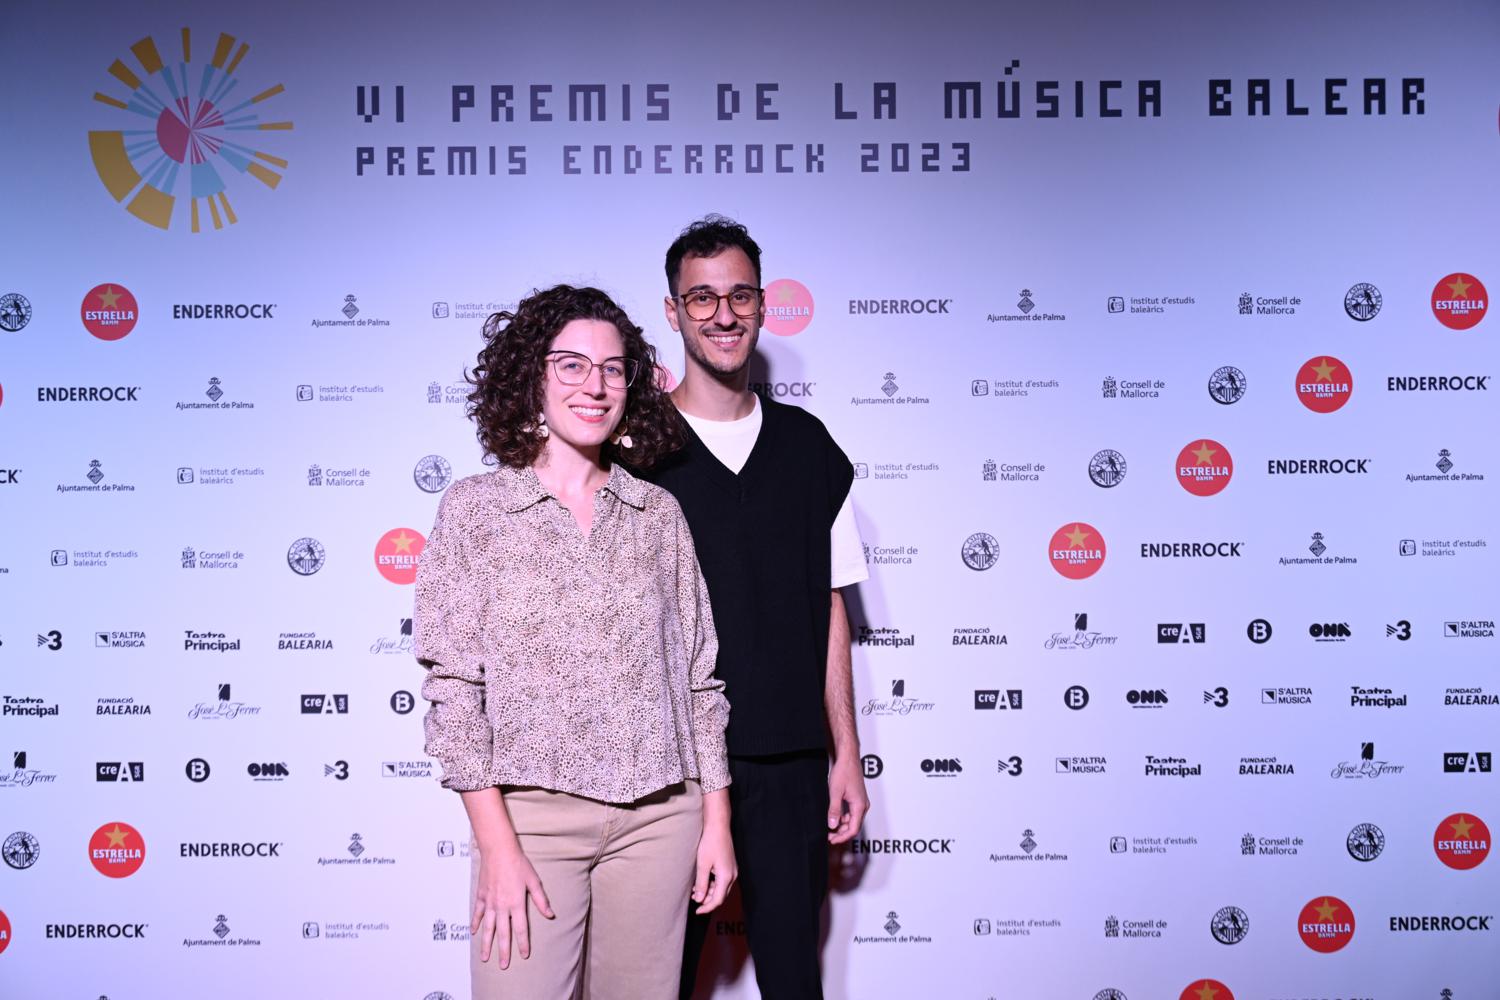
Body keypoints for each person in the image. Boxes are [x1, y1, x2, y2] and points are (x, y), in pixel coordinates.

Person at [415, 284, 736, 1000]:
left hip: (659, 819)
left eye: (614, 368)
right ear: (531, 376)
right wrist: (498, 846)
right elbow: (454, 691)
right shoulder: (476, 510)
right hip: (531, 821)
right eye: (572, 365)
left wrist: (716, 820)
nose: (595, 385)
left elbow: (698, 680)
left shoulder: (657, 514)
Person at [645, 217, 870, 1000]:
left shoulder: (811, 449)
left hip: (789, 765)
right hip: (669, 772)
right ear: (672, 312)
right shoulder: (636, 453)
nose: (723, 314)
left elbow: (831, 608)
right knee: (654, 984)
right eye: (701, 298)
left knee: (794, 984)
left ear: (764, 306)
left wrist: (846, 752)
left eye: (739, 295)